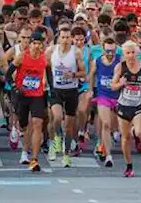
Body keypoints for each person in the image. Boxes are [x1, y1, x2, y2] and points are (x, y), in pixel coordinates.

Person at [112, 41, 141, 178]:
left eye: (133, 52)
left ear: (136, 53)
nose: (131, 55)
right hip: (123, 106)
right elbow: (113, 85)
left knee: (140, 132)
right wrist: (120, 83)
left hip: (137, 106)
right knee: (125, 138)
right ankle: (129, 165)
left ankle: (134, 129)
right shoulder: (120, 67)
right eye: (128, 53)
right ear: (124, 54)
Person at [48, 27, 86, 167]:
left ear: (71, 38)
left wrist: (73, 75)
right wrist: (47, 81)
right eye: (63, 37)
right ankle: (56, 139)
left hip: (71, 90)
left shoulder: (76, 52)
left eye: (67, 37)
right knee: (57, 117)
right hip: (56, 90)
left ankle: (66, 154)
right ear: (59, 38)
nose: (65, 41)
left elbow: (83, 72)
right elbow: (44, 65)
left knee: (69, 126)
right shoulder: (51, 50)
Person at [13, 30, 49, 172]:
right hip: (23, 95)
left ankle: (34, 159)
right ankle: (24, 151)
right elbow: (10, 73)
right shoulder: (22, 57)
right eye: (34, 43)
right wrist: (15, 87)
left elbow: (49, 75)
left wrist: (50, 89)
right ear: (30, 44)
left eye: (39, 44)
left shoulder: (45, 58)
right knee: (25, 125)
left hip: (38, 94)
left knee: (37, 123)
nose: (36, 46)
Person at [90, 38, 120, 167]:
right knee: (106, 124)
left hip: (118, 97)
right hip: (103, 96)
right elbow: (91, 74)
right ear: (103, 49)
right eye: (108, 51)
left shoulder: (120, 60)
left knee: (113, 127)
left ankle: (102, 144)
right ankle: (108, 156)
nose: (110, 54)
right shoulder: (98, 61)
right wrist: (91, 90)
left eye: (113, 51)